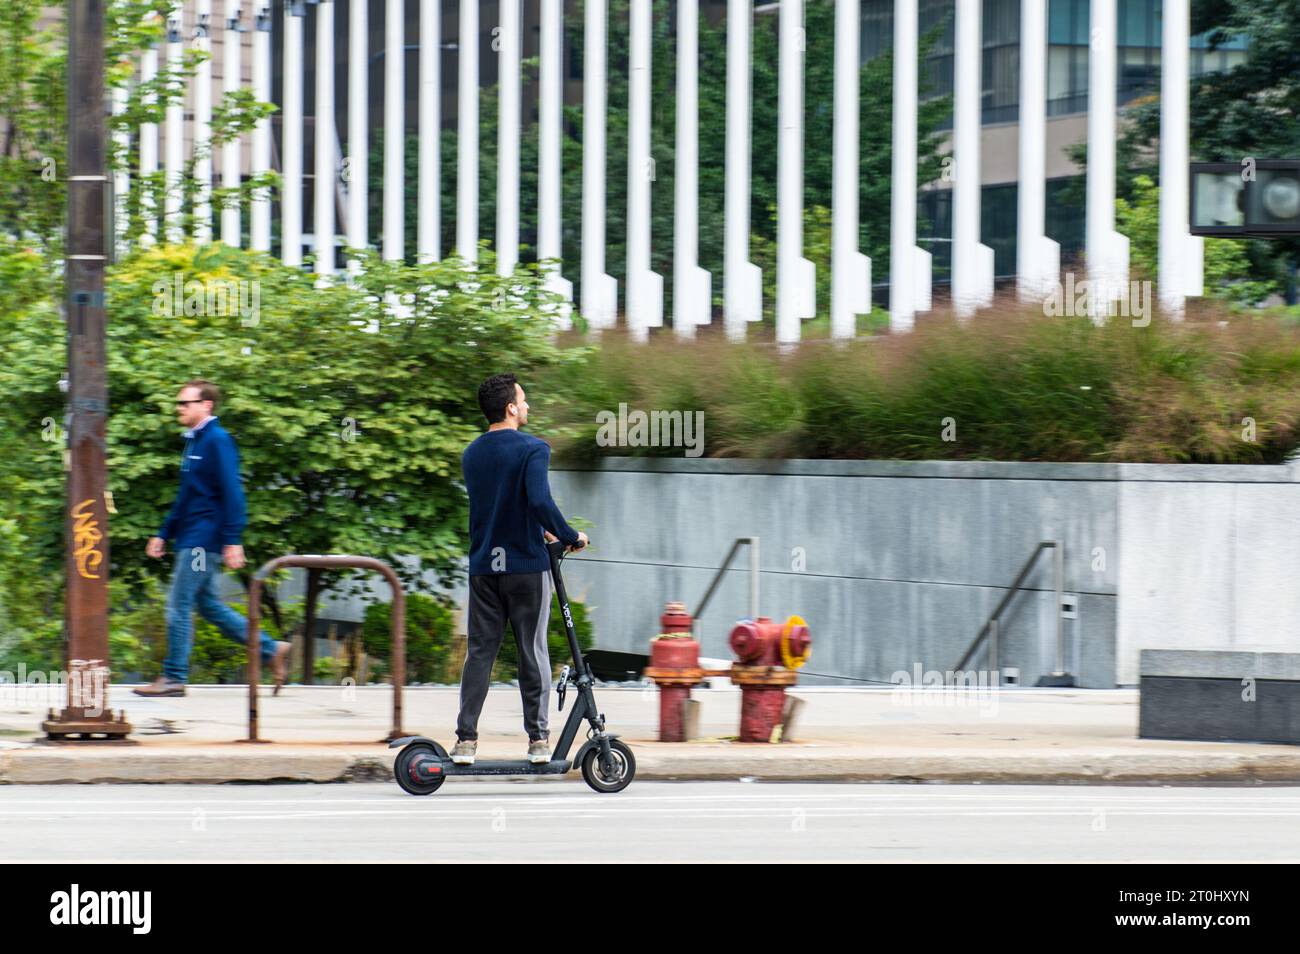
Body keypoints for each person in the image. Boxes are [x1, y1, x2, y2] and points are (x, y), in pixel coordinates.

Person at [452, 373, 588, 765]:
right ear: (511, 407)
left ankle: (465, 742)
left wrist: (542, 529)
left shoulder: (472, 453)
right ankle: (538, 741)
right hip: (526, 567)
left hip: (483, 568)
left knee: (480, 653)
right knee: (531, 649)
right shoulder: (533, 448)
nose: (527, 406)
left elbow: (500, 504)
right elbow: (538, 500)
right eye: (523, 401)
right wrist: (568, 534)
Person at [134, 380, 290, 697]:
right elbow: (186, 498)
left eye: (185, 403)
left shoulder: (218, 441)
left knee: (178, 605)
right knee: (207, 606)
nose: (179, 409)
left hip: (203, 542)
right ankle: (271, 649)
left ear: (206, 405)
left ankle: (174, 677)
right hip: (191, 536)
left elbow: (233, 492)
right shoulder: (194, 443)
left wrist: (233, 539)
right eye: (178, 404)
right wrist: (164, 533)